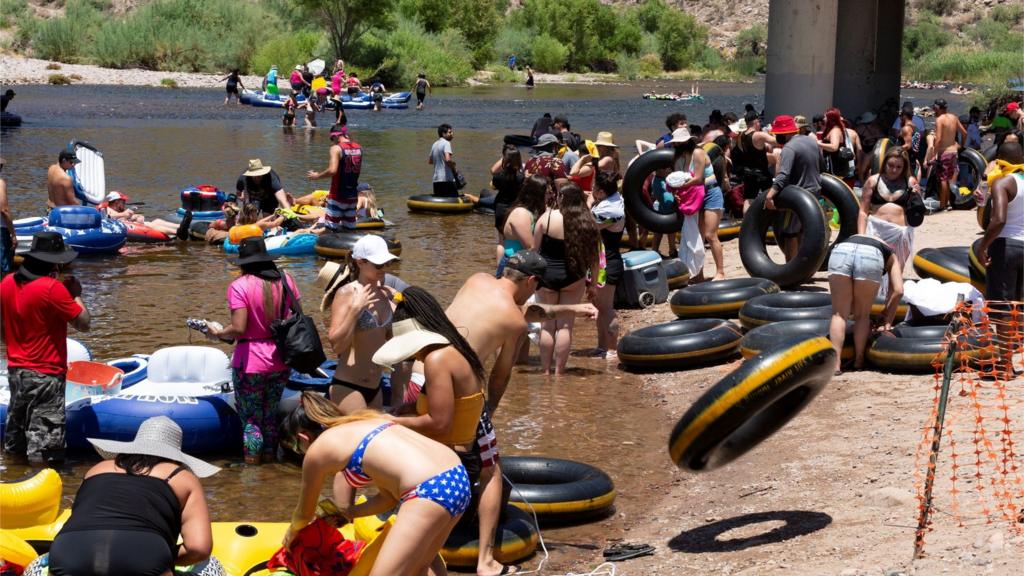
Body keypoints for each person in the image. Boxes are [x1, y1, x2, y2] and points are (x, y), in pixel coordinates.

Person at [281, 392, 468, 575]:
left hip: (428, 490)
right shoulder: (364, 422)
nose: (302, 453)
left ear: (303, 437)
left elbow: (304, 514)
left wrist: (291, 533)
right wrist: (350, 513)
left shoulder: (319, 450)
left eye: (297, 448)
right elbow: (389, 498)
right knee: (420, 567)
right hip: (457, 476)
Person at [47, 416, 219, 575]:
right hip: (143, 555)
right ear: (176, 457)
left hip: (68, 550)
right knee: (211, 567)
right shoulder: (181, 477)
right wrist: (166, 557)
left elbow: (83, 515)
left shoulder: (97, 469)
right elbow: (199, 548)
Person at [205, 237, 299, 464]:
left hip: (250, 362)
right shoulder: (286, 280)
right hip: (281, 357)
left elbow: (238, 328)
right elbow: (295, 317)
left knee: (252, 420)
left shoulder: (240, 286)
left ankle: (252, 465)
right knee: (270, 414)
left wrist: (218, 333)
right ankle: (270, 460)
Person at [1, 232, 91, 464]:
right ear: (55, 262)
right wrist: (76, 294)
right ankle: (44, 491)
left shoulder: (7, 283)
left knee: (17, 441)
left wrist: (14, 346)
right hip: (46, 376)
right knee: (46, 448)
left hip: (16, 371)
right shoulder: (52, 289)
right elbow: (83, 323)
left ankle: (13, 485)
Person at [318, 235, 398, 413]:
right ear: (360, 262)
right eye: (378, 265)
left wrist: (399, 306)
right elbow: (337, 346)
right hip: (349, 387)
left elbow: (392, 343)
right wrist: (355, 310)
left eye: (387, 263)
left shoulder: (386, 295)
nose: (384, 269)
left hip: (376, 387)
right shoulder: (347, 293)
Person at [533, 182, 601, 374]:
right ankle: (559, 373)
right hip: (574, 277)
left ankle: (545, 371)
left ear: (561, 198)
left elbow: (534, 250)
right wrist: (593, 286)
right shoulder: (587, 222)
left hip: (547, 277)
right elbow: (594, 259)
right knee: (565, 326)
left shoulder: (546, 218)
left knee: (546, 326)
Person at [976, 141, 1024, 378]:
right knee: (1020, 305)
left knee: (1003, 308)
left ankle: (1005, 365)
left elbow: (998, 220)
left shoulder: (1003, 182)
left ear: (999, 159)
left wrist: (983, 246)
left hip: (1006, 246)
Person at [827, 233, 903, 374]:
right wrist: (887, 314)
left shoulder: (859, 236)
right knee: (862, 315)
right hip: (871, 256)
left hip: (841, 249)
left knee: (839, 315)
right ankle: (859, 360)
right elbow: (898, 290)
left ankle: (835, 364)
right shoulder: (892, 254)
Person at [764, 115, 824, 262]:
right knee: (803, 230)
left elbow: (783, 176)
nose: (777, 137)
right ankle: (803, 266)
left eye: (778, 134)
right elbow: (822, 166)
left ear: (786, 133)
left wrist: (770, 195)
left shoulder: (789, 148)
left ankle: (792, 268)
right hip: (815, 192)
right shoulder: (812, 142)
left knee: (790, 232)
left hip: (799, 196)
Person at [858, 146, 919, 269]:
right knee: (872, 268)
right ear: (884, 163)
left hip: (900, 233)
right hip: (875, 230)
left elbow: (916, 214)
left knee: (896, 271)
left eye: (898, 167)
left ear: (904, 167)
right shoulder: (873, 181)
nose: (894, 170)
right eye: (890, 165)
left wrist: (916, 197)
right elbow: (863, 211)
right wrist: (861, 236)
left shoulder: (910, 182)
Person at [666, 127, 712, 280]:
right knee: (693, 235)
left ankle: (709, 273)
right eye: (675, 144)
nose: (676, 146)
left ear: (686, 142)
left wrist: (677, 187)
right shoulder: (679, 158)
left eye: (678, 143)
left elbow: (698, 178)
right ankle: (696, 273)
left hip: (707, 194)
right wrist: (675, 193)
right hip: (691, 197)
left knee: (705, 235)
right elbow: (677, 179)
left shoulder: (697, 153)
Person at [590, 171, 625, 358]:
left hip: (608, 262)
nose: (592, 190)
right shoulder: (614, 200)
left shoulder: (610, 210)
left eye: (594, 187)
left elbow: (587, 224)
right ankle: (602, 346)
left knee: (606, 308)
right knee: (600, 307)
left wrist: (589, 203)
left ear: (602, 192)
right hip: (603, 261)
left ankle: (611, 349)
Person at [309, 125, 363, 232]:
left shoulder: (336, 148)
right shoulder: (359, 148)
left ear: (336, 136)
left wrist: (317, 176)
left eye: (331, 138)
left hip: (337, 195)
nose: (332, 141)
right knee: (350, 229)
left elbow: (332, 170)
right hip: (352, 196)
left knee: (330, 229)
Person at [497, 174, 546, 276]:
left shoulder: (529, 212)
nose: (551, 196)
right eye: (548, 193)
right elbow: (530, 248)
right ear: (539, 195)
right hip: (514, 266)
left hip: (520, 263)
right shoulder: (521, 213)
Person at [924, 98, 966, 211]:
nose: (933, 110)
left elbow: (938, 140)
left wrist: (934, 154)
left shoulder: (940, 120)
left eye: (934, 108)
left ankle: (943, 205)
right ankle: (947, 204)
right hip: (954, 152)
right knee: (947, 179)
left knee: (942, 179)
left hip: (944, 152)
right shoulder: (954, 117)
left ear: (938, 108)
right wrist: (961, 146)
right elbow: (964, 133)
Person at [730, 110, 776, 212]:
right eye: (759, 122)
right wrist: (771, 131)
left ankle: (746, 222)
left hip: (748, 172)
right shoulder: (758, 135)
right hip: (762, 173)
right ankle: (772, 219)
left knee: (749, 199)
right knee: (770, 196)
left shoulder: (741, 136)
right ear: (756, 122)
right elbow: (777, 142)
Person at [491, 145, 525, 265]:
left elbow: (493, 170)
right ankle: (515, 265)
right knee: (517, 240)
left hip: (500, 207)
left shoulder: (498, 177)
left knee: (501, 241)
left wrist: (504, 158)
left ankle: (499, 269)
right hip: (515, 209)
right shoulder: (521, 177)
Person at [103, 191, 186, 238]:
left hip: (135, 226)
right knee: (154, 225)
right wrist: (124, 214)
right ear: (117, 202)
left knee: (157, 221)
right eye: (123, 201)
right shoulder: (108, 210)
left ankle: (182, 227)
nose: (125, 203)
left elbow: (125, 218)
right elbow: (109, 217)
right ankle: (177, 232)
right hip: (132, 230)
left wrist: (136, 216)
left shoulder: (117, 210)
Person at [818, 107, 856, 182]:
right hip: (833, 167)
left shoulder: (835, 130)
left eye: (825, 116)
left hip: (834, 168)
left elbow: (834, 147)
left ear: (830, 118)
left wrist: (819, 144)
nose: (824, 118)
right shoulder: (833, 129)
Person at [429, 124, 458, 198]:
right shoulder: (446, 143)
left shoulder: (434, 144)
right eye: (450, 132)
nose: (452, 134)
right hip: (447, 180)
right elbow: (448, 159)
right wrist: (453, 166)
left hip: (436, 180)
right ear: (443, 134)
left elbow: (430, 161)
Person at [0, 157, 14, 276]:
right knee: (4, 268)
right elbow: (4, 210)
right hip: (1, 231)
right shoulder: (0, 183)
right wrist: (13, 234)